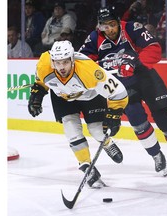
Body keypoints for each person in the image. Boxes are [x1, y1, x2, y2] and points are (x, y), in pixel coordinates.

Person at [79, 5, 167, 176]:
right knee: (138, 121)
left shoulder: (131, 28)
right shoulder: (94, 38)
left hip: (145, 77)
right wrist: (97, 69)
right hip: (123, 86)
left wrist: (134, 63)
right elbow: (82, 61)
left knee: (164, 118)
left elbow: (154, 48)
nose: (109, 29)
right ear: (100, 26)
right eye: (105, 26)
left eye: (112, 24)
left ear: (118, 22)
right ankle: (157, 156)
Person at [27, 40, 128, 187]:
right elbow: (41, 80)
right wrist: (37, 94)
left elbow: (119, 92)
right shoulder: (44, 63)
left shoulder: (90, 71)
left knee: (97, 131)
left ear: (72, 60)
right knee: (71, 129)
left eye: (65, 62)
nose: (61, 67)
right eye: (57, 63)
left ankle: (107, 143)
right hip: (63, 97)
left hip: (90, 96)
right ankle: (86, 165)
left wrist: (115, 114)